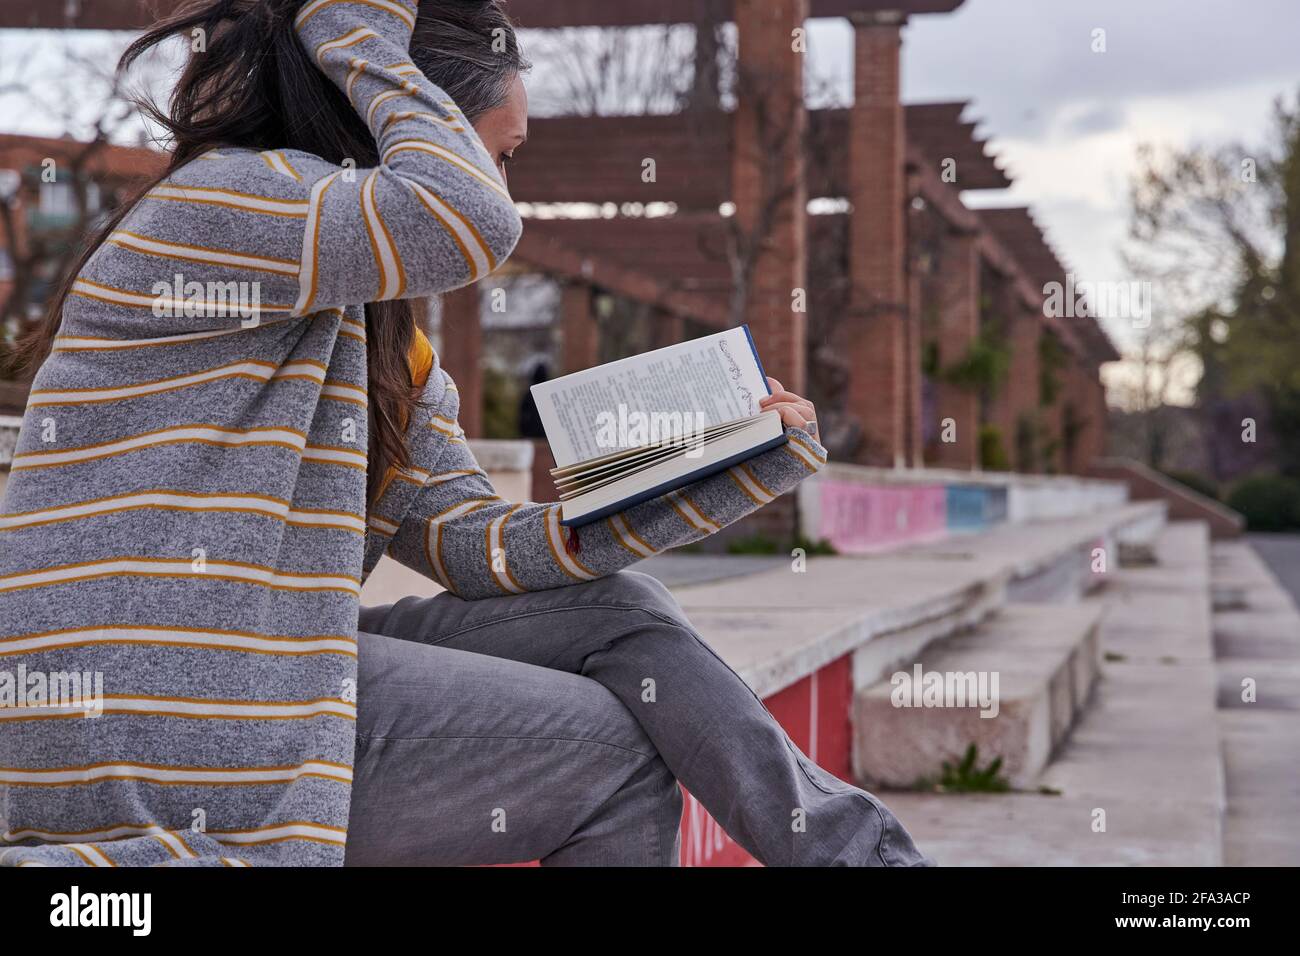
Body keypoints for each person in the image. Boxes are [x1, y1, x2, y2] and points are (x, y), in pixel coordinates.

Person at [0, 0, 928, 867]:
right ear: (411, 121)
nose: (502, 179)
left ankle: (864, 858)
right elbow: (467, 220)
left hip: (262, 652)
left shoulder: (377, 340)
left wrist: (719, 466)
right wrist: (356, 25)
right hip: (150, 693)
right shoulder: (226, 205)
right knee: (612, 754)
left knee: (625, 614)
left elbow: (474, 546)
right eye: (502, 151)